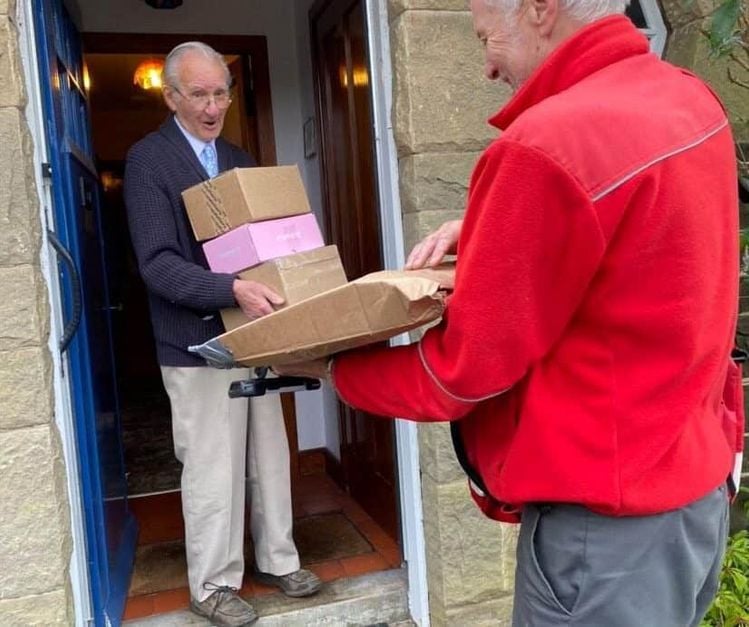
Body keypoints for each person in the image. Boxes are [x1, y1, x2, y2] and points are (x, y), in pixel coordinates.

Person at [277, 0, 742, 625]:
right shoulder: (688, 97)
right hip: (693, 497)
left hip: (604, 538)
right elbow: (646, 237)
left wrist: (329, 370)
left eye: (484, 38)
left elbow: (462, 373)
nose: (488, 68)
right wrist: (493, 228)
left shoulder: (545, 147)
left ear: (539, 9)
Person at [124, 41, 321, 627]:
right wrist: (232, 289)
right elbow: (157, 264)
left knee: (269, 452)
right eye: (200, 95)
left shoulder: (237, 157)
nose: (213, 106)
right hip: (193, 344)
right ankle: (212, 585)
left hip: (254, 336)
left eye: (221, 94)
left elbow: (261, 249)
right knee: (212, 465)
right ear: (171, 97)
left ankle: (279, 560)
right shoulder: (148, 160)